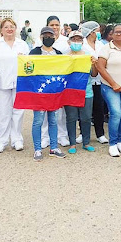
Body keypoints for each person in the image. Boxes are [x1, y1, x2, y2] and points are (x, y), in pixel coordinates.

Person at [96, 24, 121, 157]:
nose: (119, 34)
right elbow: (100, 67)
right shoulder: (106, 48)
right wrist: (113, 83)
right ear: (111, 34)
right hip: (109, 86)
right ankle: (112, 144)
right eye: (116, 32)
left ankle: (120, 141)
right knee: (116, 113)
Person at [29, 26, 67, 160]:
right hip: (39, 93)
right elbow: (28, 70)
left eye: (50, 36)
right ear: (41, 37)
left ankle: (54, 147)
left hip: (54, 93)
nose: (48, 38)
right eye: (45, 35)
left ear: (55, 37)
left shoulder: (59, 53)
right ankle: (37, 149)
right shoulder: (34, 52)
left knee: (53, 120)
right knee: (38, 121)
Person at [0, 18, 29, 153]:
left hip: (19, 82)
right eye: (6, 27)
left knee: (18, 112)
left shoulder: (22, 44)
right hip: (1, 82)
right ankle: (1, 140)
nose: (9, 29)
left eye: (12, 26)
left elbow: (28, 63)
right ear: (1, 30)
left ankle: (17, 139)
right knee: (3, 113)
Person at [65, 30, 97, 154]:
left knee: (86, 118)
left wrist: (94, 64)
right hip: (70, 92)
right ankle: (72, 143)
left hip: (86, 91)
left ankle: (86, 142)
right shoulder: (65, 57)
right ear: (69, 42)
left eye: (79, 40)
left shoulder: (87, 56)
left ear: (82, 42)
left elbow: (94, 74)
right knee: (71, 118)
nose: (76, 42)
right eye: (74, 40)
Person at [81, 21, 108, 144]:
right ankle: (83, 133)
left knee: (99, 108)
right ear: (91, 32)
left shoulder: (101, 45)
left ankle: (100, 134)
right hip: (86, 81)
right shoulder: (82, 45)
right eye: (97, 31)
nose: (99, 33)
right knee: (84, 109)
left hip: (99, 81)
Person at [47, 16, 70, 146]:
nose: (54, 27)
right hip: (45, 81)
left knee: (60, 112)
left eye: (57, 25)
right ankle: (45, 136)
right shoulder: (40, 42)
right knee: (44, 110)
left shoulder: (66, 42)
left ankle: (62, 135)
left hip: (60, 81)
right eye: (52, 25)